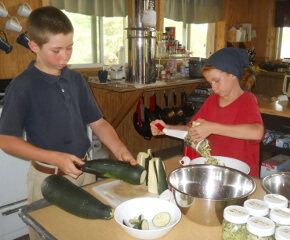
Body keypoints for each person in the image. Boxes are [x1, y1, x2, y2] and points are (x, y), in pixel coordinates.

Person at [0, 6, 136, 239]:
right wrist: (55, 158)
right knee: (50, 233)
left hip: (85, 172)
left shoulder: (75, 79)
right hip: (47, 179)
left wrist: (119, 149)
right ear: (34, 46)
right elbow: (6, 141)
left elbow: (98, 123)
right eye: (57, 50)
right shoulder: (22, 86)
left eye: (70, 47)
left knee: (88, 233)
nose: (65, 56)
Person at [150, 47, 264, 178]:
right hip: (214, 170)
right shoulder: (212, 100)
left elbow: (257, 132)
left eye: (216, 81)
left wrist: (212, 127)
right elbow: (191, 129)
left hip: (241, 174)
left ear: (232, 74)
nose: (213, 87)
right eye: (210, 82)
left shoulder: (247, 100)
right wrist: (167, 128)